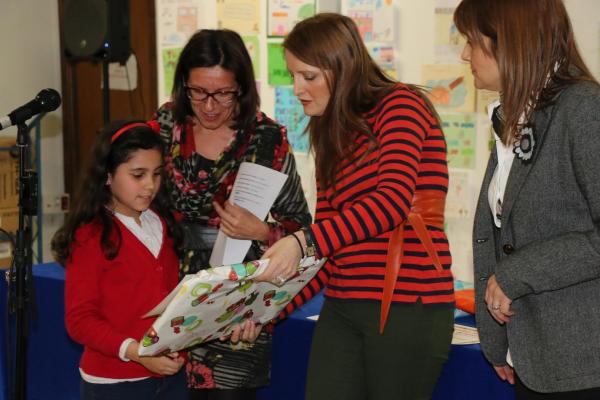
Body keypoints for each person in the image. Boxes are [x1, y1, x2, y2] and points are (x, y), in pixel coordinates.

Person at [258, 13, 454, 400]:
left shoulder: (402, 105)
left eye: (308, 76)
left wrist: (301, 240)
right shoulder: (329, 132)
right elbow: (328, 249)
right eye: (293, 75)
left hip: (406, 305)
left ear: (342, 67)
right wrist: (268, 312)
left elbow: (391, 202)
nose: (297, 88)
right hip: (343, 304)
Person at [153, 29, 311, 399]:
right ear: (182, 86)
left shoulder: (266, 138)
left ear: (241, 88)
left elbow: (301, 229)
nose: (209, 106)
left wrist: (261, 231)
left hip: (237, 308)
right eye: (198, 92)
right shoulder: (165, 127)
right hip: (165, 294)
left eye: (223, 94)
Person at [454, 0, 600, 398]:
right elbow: (501, 233)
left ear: (509, 41)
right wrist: (497, 340)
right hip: (534, 357)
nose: (465, 54)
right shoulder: (517, 115)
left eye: (471, 41)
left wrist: (520, 272)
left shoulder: (584, 108)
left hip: (584, 365)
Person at [51, 120, 186, 399]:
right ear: (108, 175)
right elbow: (79, 320)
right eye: (138, 175)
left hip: (169, 377)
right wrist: (136, 352)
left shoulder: (164, 223)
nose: (150, 185)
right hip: (115, 383)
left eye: (157, 174)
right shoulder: (90, 235)